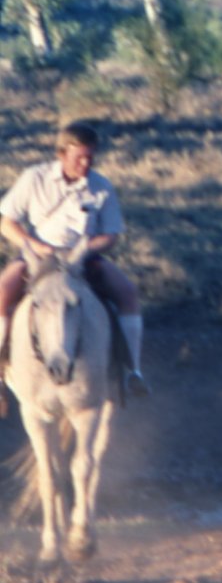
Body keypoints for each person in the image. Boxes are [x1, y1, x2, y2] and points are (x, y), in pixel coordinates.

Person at [0, 120, 146, 398]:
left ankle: (132, 372)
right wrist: (35, 246)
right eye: (80, 157)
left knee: (128, 292)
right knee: (2, 291)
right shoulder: (34, 177)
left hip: (83, 256)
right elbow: (7, 223)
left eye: (91, 157)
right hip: (38, 254)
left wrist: (86, 248)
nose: (86, 163)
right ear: (61, 154)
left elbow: (111, 235)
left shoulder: (101, 186)